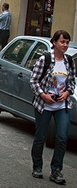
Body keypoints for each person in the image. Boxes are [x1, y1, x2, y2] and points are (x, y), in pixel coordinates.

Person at [30, 30, 75, 184]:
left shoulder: (69, 61)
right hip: (45, 104)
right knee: (40, 137)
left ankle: (56, 170)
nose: (65, 45)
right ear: (54, 42)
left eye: (67, 42)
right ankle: (37, 166)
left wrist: (67, 92)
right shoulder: (45, 59)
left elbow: (72, 82)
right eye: (62, 41)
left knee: (62, 138)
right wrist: (44, 95)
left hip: (62, 105)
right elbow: (34, 81)